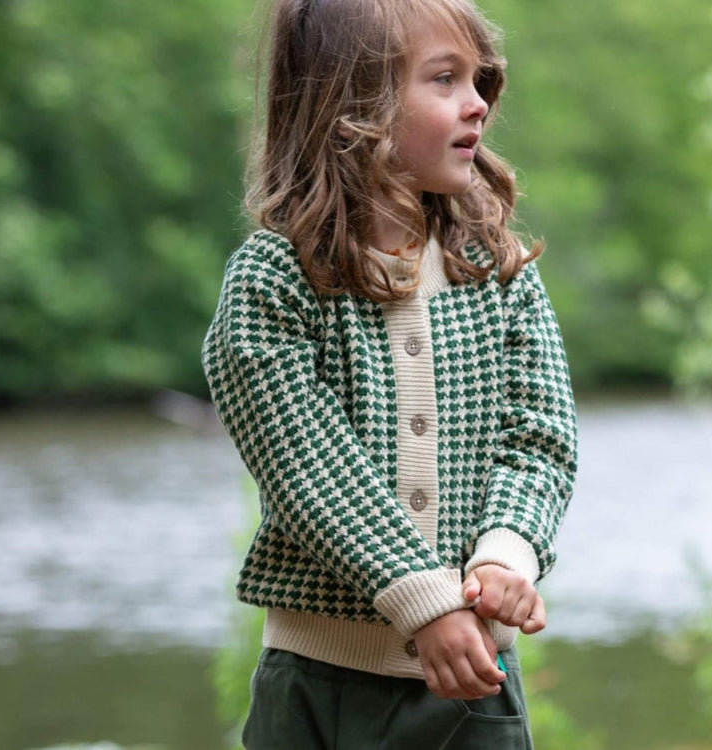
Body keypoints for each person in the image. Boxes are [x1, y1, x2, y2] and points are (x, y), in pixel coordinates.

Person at [202, 0, 577, 747]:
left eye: (482, 80)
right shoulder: (273, 284)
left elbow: (541, 435)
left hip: (477, 692)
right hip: (317, 689)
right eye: (445, 79)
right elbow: (308, 466)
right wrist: (422, 601)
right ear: (352, 110)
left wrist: (507, 552)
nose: (478, 103)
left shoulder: (496, 273)